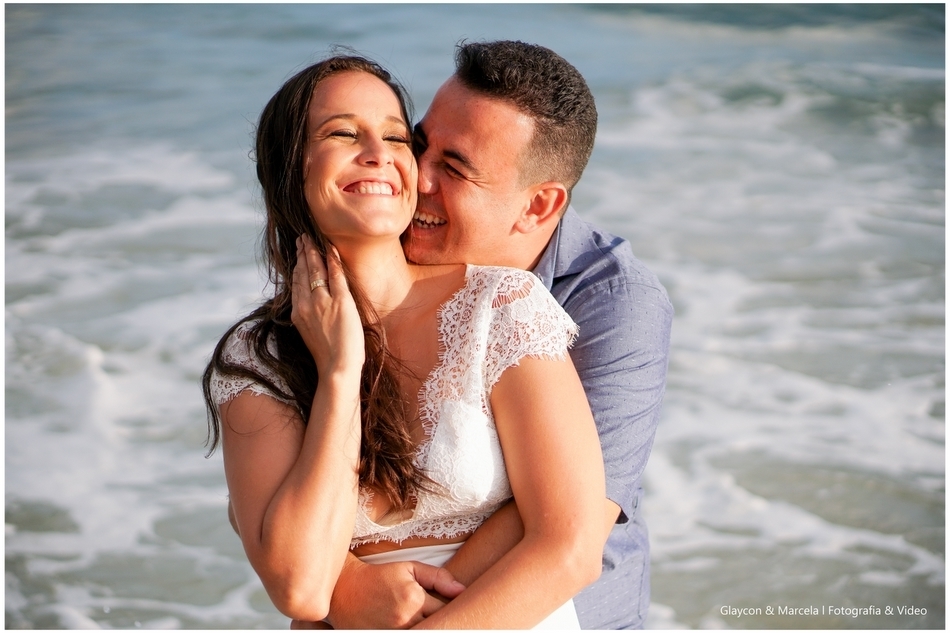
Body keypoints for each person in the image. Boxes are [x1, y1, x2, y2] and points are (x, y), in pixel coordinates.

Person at [202, 54, 609, 629]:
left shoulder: (502, 306)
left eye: (396, 137)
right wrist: (340, 372)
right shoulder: (257, 356)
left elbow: (569, 550)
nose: (379, 153)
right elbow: (300, 587)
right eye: (343, 132)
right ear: (289, 167)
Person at [325, 41, 674, 630]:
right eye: (419, 143)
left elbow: (570, 520)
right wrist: (345, 585)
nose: (416, 178)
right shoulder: (374, 255)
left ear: (539, 205)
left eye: (454, 167)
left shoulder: (615, 304)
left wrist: (388, 611)